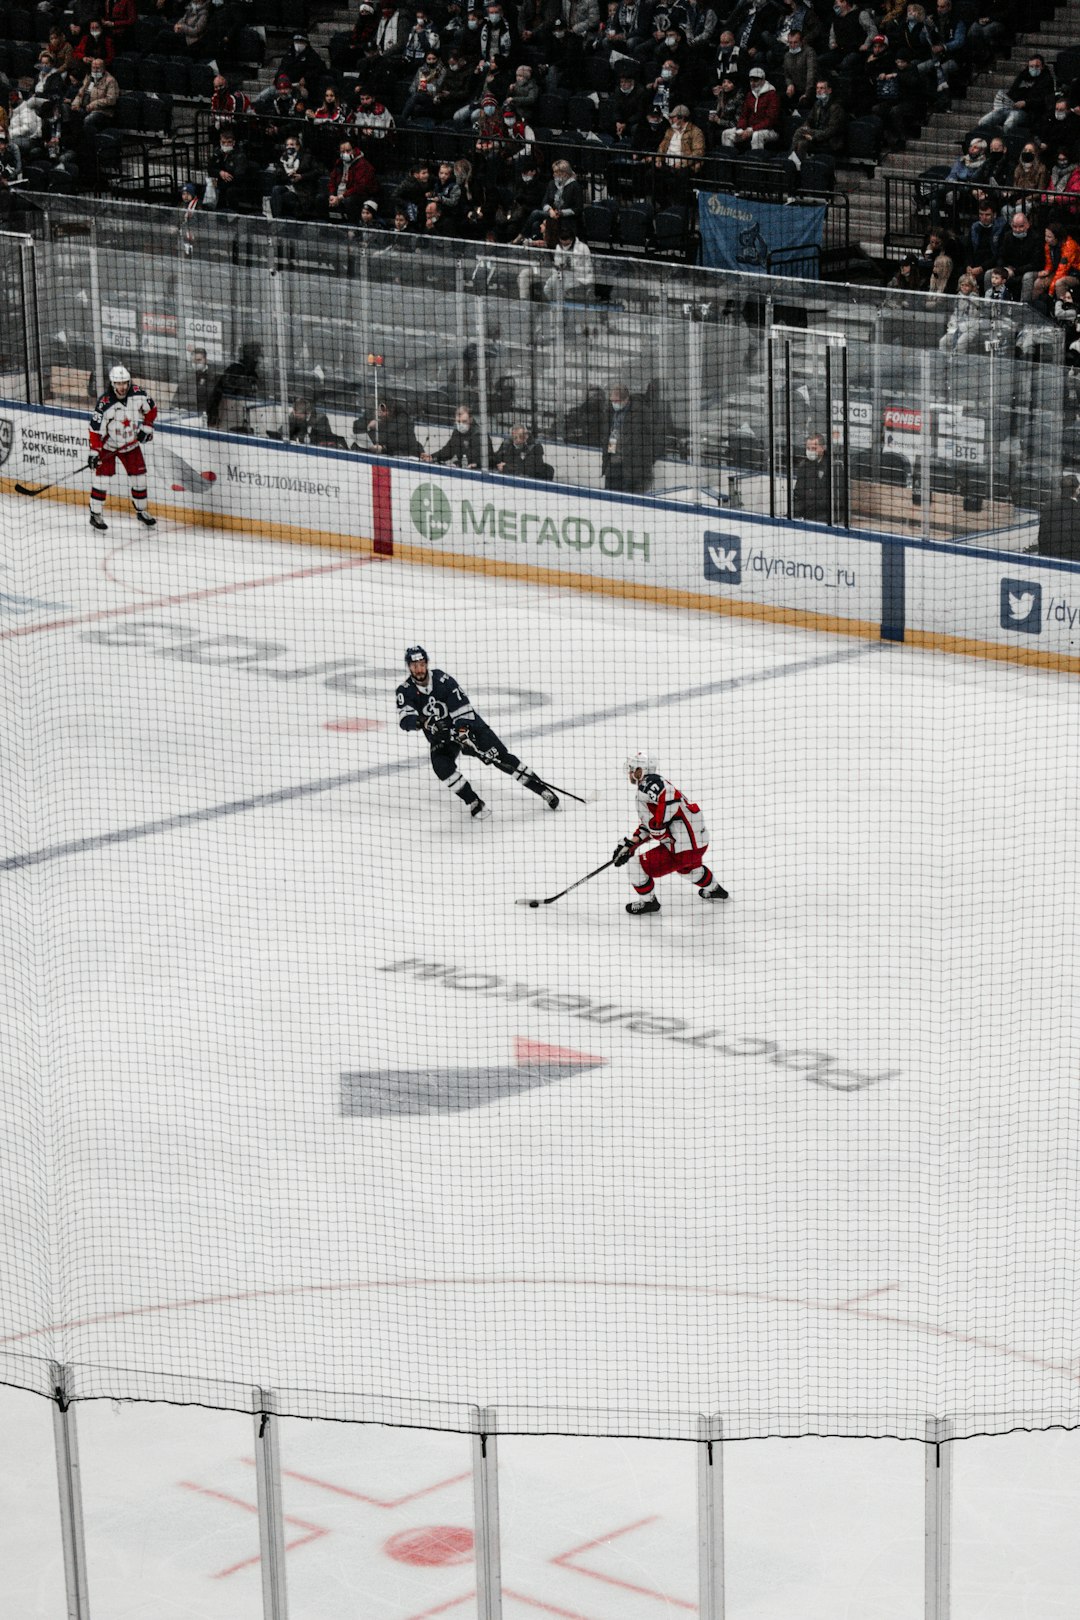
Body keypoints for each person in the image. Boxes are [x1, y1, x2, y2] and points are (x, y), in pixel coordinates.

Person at [396, 645, 560, 821]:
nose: (419, 669)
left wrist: (462, 732)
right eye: (414, 666)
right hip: (443, 738)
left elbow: (463, 708)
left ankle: (542, 790)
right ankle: (474, 802)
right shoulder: (404, 691)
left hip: (470, 728)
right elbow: (405, 720)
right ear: (409, 667)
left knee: (502, 758)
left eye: (421, 664)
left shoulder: (443, 680)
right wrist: (423, 722)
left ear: (426, 663)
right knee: (442, 768)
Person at [612, 750, 728, 915]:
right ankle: (715, 889)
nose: (630, 773)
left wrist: (657, 827)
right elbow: (650, 824)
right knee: (687, 869)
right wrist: (632, 843)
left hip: (682, 848)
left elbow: (668, 798)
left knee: (635, 866)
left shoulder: (648, 784)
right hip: (698, 843)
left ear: (642, 770)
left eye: (633, 768)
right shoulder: (651, 784)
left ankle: (648, 903)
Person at [87, 364, 157, 532]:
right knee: (101, 480)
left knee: (140, 479)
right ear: (112, 384)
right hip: (109, 447)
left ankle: (141, 511)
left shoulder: (139, 393)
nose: (122, 387)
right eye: (118, 383)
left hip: (131, 445)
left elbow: (152, 410)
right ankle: (95, 514)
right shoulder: (105, 404)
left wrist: (146, 428)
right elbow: (95, 431)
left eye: (125, 383)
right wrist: (94, 453)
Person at [602, 384, 656, 492]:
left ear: (626, 400)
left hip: (632, 469)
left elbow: (650, 441)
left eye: (617, 401)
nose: (614, 404)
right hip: (613, 465)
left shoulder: (640, 414)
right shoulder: (610, 412)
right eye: (613, 401)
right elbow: (608, 436)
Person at [792, 431, 831, 520]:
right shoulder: (803, 466)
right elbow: (798, 493)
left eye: (813, 448)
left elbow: (834, 499)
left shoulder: (832, 467)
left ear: (823, 448)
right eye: (808, 448)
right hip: (806, 511)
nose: (810, 451)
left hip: (824, 513)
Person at [175, 345, 212, 415]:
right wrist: (176, 408)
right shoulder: (186, 378)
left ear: (206, 360)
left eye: (199, 360)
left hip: (204, 415)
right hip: (185, 415)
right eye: (193, 361)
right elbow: (176, 398)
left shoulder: (212, 377)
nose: (196, 363)